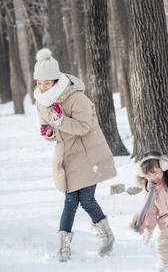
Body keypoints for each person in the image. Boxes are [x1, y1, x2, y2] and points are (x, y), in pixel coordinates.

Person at [33, 48, 116, 262]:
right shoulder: (41, 102)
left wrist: (60, 121)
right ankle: (63, 248)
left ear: (55, 80)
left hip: (89, 154)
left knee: (86, 200)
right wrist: (49, 133)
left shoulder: (76, 97)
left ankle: (106, 235)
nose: (42, 87)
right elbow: (50, 130)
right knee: (70, 201)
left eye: (46, 83)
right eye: (38, 83)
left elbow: (84, 127)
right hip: (67, 156)